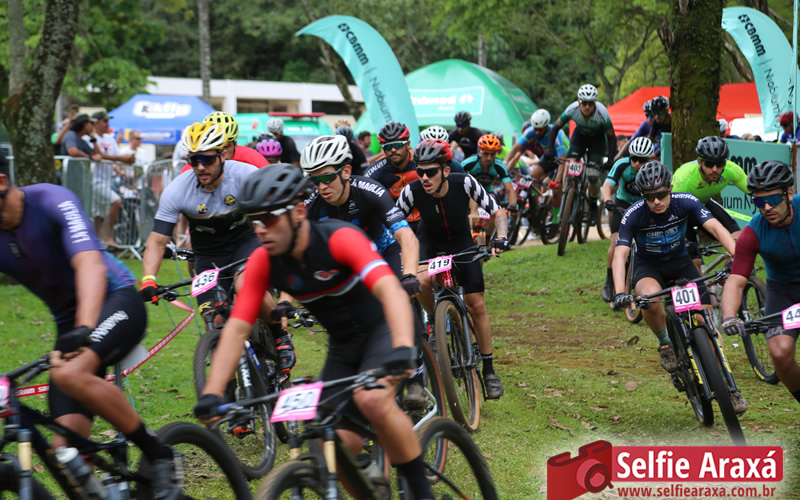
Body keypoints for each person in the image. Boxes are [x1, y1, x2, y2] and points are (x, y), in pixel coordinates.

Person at [193, 164, 436, 500]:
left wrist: (403, 347)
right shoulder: (264, 260)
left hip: (384, 329)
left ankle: (421, 491)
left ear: (297, 212)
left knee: (372, 400)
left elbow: (390, 291)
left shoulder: (339, 238)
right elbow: (236, 329)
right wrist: (213, 392)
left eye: (270, 219)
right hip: (343, 346)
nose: (262, 230)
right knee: (330, 440)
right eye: (255, 222)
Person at [0, 161, 182, 499]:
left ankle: (158, 453)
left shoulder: (50, 200)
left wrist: (84, 327)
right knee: (64, 450)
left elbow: (90, 265)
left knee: (69, 373)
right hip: (71, 326)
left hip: (115, 299)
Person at [611, 161, 745, 413]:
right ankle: (665, 343)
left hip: (681, 264)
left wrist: (737, 256)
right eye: (649, 197)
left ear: (670, 188)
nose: (656, 201)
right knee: (649, 299)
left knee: (706, 324)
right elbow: (621, 254)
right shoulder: (634, 214)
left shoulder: (686, 202)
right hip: (650, 268)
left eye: (662, 194)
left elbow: (716, 227)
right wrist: (620, 291)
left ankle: (729, 387)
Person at [397, 139, 509, 399]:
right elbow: (392, 223)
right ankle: (437, 322)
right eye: (420, 171)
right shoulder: (411, 190)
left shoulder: (465, 182)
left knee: (476, 305)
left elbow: (498, 212)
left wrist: (501, 237)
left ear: (446, 171)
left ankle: (490, 371)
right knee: (421, 282)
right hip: (429, 244)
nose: (424, 178)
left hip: (461, 243)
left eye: (430, 172)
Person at [139, 122, 276, 327]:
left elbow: (273, 213)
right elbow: (157, 241)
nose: (201, 166)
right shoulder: (177, 190)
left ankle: (281, 334)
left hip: (244, 244)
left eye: (207, 159)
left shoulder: (246, 175)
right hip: (208, 254)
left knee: (246, 287)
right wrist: (148, 279)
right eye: (194, 160)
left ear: (222, 155)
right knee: (213, 318)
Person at [721, 161, 800, 408]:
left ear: (789, 194)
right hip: (783, 292)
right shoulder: (753, 232)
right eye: (759, 201)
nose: (766, 207)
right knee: (779, 353)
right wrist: (729, 317)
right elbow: (736, 281)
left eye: (773, 199)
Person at [301, 135, 420, 280]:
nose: (321, 186)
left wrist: (409, 275)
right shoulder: (311, 202)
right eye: (315, 180)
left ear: (346, 172)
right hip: (344, 262)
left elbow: (406, 235)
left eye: (327, 178)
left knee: (402, 288)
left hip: (382, 252)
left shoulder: (370, 190)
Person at [672, 136, 747, 271]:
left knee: (740, 243)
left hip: (704, 204)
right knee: (693, 259)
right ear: (699, 162)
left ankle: (727, 277)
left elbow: (755, 192)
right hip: (682, 213)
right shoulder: (684, 179)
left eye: (719, 164)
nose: (714, 169)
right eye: (709, 164)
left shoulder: (731, 170)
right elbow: (671, 211)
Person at [545, 84, 617, 222]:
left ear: (595, 103)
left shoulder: (602, 113)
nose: (587, 107)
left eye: (590, 103)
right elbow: (555, 128)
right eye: (584, 103)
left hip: (597, 141)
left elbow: (611, 137)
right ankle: (568, 195)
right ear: (579, 102)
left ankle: (594, 204)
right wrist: (549, 149)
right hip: (580, 137)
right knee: (569, 164)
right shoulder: (572, 109)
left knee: (593, 176)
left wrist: (610, 160)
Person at [600, 136, 653, 302]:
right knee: (616, 241)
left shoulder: (653, 169)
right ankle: (609, 281)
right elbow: (607, 185)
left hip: (643, 207)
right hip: (622, 204)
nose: (636, 163)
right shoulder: (622, 164)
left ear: (649, 159)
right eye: (633, 158)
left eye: (641, 160)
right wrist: (608, 201)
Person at [504, 109, 568, 224]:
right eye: (535, 129)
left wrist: (558, 180)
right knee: (532, 177)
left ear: (546, 126)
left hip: (564, 157)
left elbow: (562, 160)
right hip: (549, 156)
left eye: (540, 129)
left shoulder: (555, 133)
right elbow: (515, 149)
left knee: (556, 189)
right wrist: (505, 165)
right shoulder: (530, 132)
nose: (537, 132)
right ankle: (536, 205)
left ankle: (555, 219)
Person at [364, 121, 422, 231]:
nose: (393, 150)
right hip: (396, 224)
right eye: (388, 146)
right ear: (383, 149)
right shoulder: (375, 172)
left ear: (407, 144)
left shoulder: (421, 160)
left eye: (398, 145)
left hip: (425, 220)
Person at [180, 111, 268, 173]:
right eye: (214, 148)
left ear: (235, 145)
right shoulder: (195, 164)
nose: (222, 153)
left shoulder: (251, 158)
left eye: (226, 146)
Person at [462, 134, 518, 218]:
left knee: (496, 213)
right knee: (473, 192)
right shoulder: (468, 163)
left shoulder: (499, 165)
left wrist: (512, 205)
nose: (489, 158)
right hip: (469, 192)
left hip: (488, 192)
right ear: (480, 151)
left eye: (492, 154)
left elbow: (510, 189)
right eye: (486, 153)